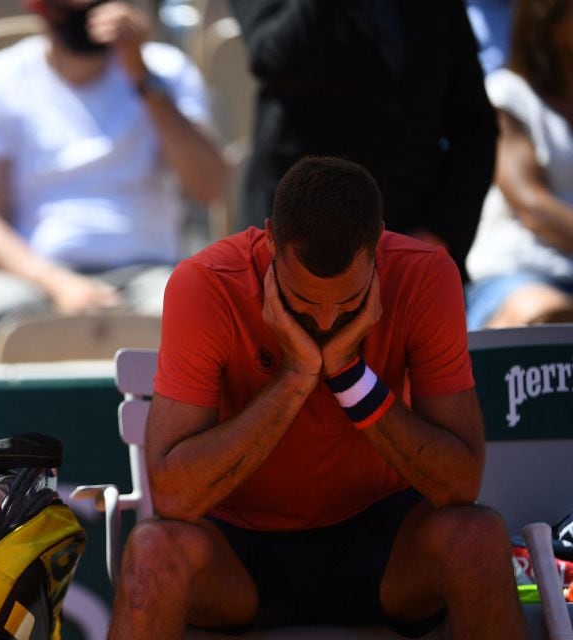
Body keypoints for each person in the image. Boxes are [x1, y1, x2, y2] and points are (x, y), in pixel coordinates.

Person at [108, 157, 526, 639]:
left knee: (478, 538)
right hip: (239, 550)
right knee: (153, 551)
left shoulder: (426, 274)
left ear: (376, 251)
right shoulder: (205, 282)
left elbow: (460, 486)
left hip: (385, 541)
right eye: (302, 303)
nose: (327, 323)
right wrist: (296, 375)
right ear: (269, 242)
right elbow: (175, 498)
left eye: (349, 305)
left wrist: (349, 376)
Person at [0, 0, 226, 362]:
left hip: (153, 273)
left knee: (206, 313)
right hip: (34, 275)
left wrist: (142, 76)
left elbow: (210, 186)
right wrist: (58, 283)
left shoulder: (166, 68)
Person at [229, 0, 497, 279]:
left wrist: (437, 230)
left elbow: (475, 125)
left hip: (411, 258)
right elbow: (277, 58)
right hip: (300, 256)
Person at [465, 0, 573, 329]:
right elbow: (531, 205)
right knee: (550, 316)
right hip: (517, 276)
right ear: (548, 19)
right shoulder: (507, 94)